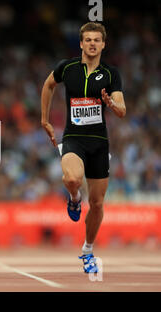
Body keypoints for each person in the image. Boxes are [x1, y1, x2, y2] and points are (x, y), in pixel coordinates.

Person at [40, 22, 126, 273]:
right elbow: (48, 86)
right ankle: (75, 199)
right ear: (80, 43)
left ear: (103, 44)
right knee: (72, 179)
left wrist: (112, 104)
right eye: (87, 39)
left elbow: (122, 109)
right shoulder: (66, 68)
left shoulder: (111, 74)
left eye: (96, 40)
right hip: (73, 138)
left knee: (98, 204)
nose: (91, 43)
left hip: (99, 142)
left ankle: (87, 249)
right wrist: (44, 119)